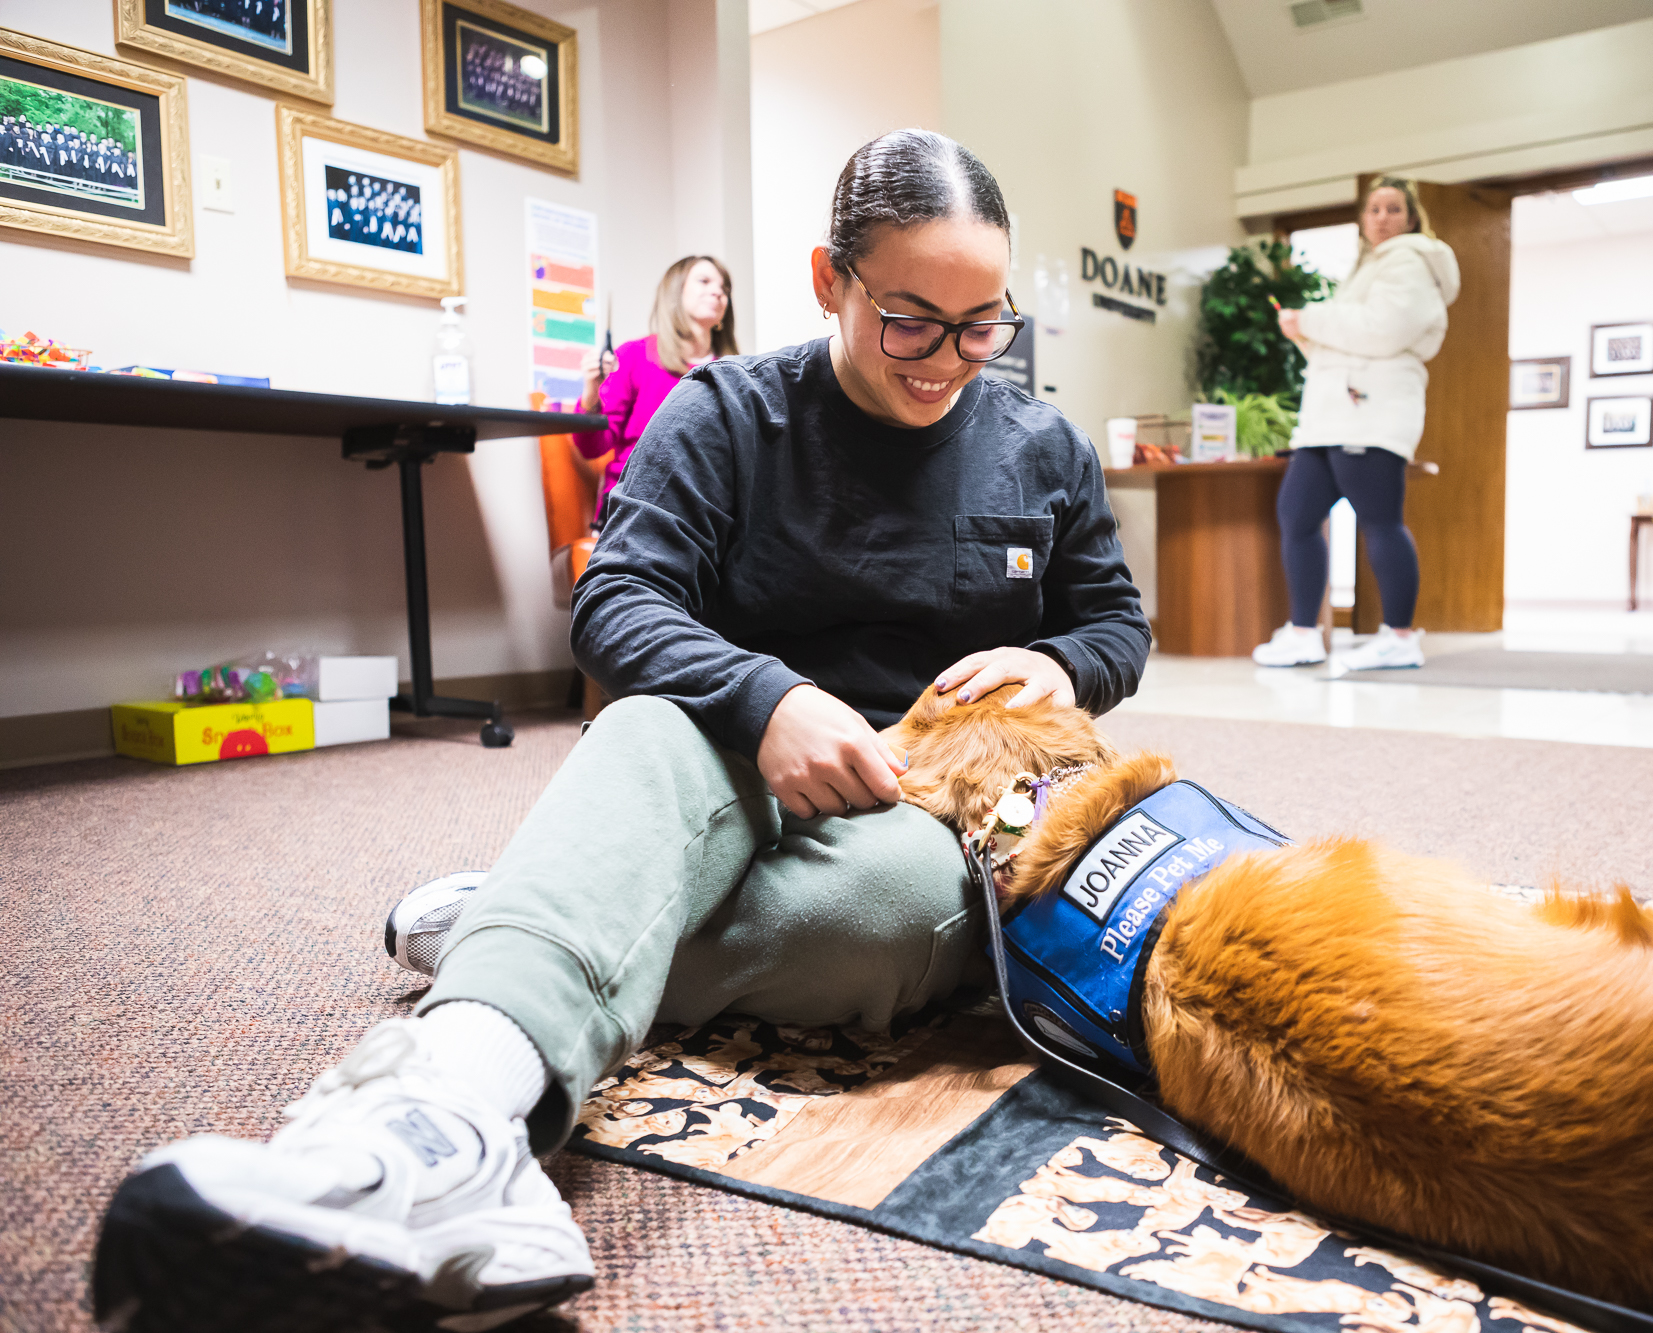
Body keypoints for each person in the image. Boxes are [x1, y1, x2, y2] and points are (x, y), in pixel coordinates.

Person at [95, 128, 1151, 1331]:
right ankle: (435, 1123)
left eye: (982, 326)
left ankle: (528, 912)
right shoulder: (726, 411)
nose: (949, 361)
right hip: (722, 741)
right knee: (642, 735)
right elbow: (618, 595)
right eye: (911, 320)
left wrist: (1053, 661)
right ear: (826, 281)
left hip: (917, 794)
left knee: (879, 927)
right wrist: (766, 700)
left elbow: (1115, 625)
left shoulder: (1041, 446)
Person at [1251, 175, 1459, 671]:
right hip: (1331, 414)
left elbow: (1384, 331)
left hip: (1372, 409)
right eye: (1374, 209)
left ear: (1411, 218)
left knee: (1380, 519)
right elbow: (1349, 337)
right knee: (1297, 515)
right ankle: (1304, 632)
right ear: (1363, 220)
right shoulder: (1368, 267)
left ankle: (1401, 636)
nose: (1382, 218)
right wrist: (1302, 330)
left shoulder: (1410, 260)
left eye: (1393, 209)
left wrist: (1311, 319)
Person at [570, 254, 737, 526]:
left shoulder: (735, 371)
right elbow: (592, 447)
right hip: (636, 510)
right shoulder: (634, 357)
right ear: (675, 293)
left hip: (710, 514)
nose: (718, 291)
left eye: (724, 287)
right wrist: (591, 392)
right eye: (704, 281)